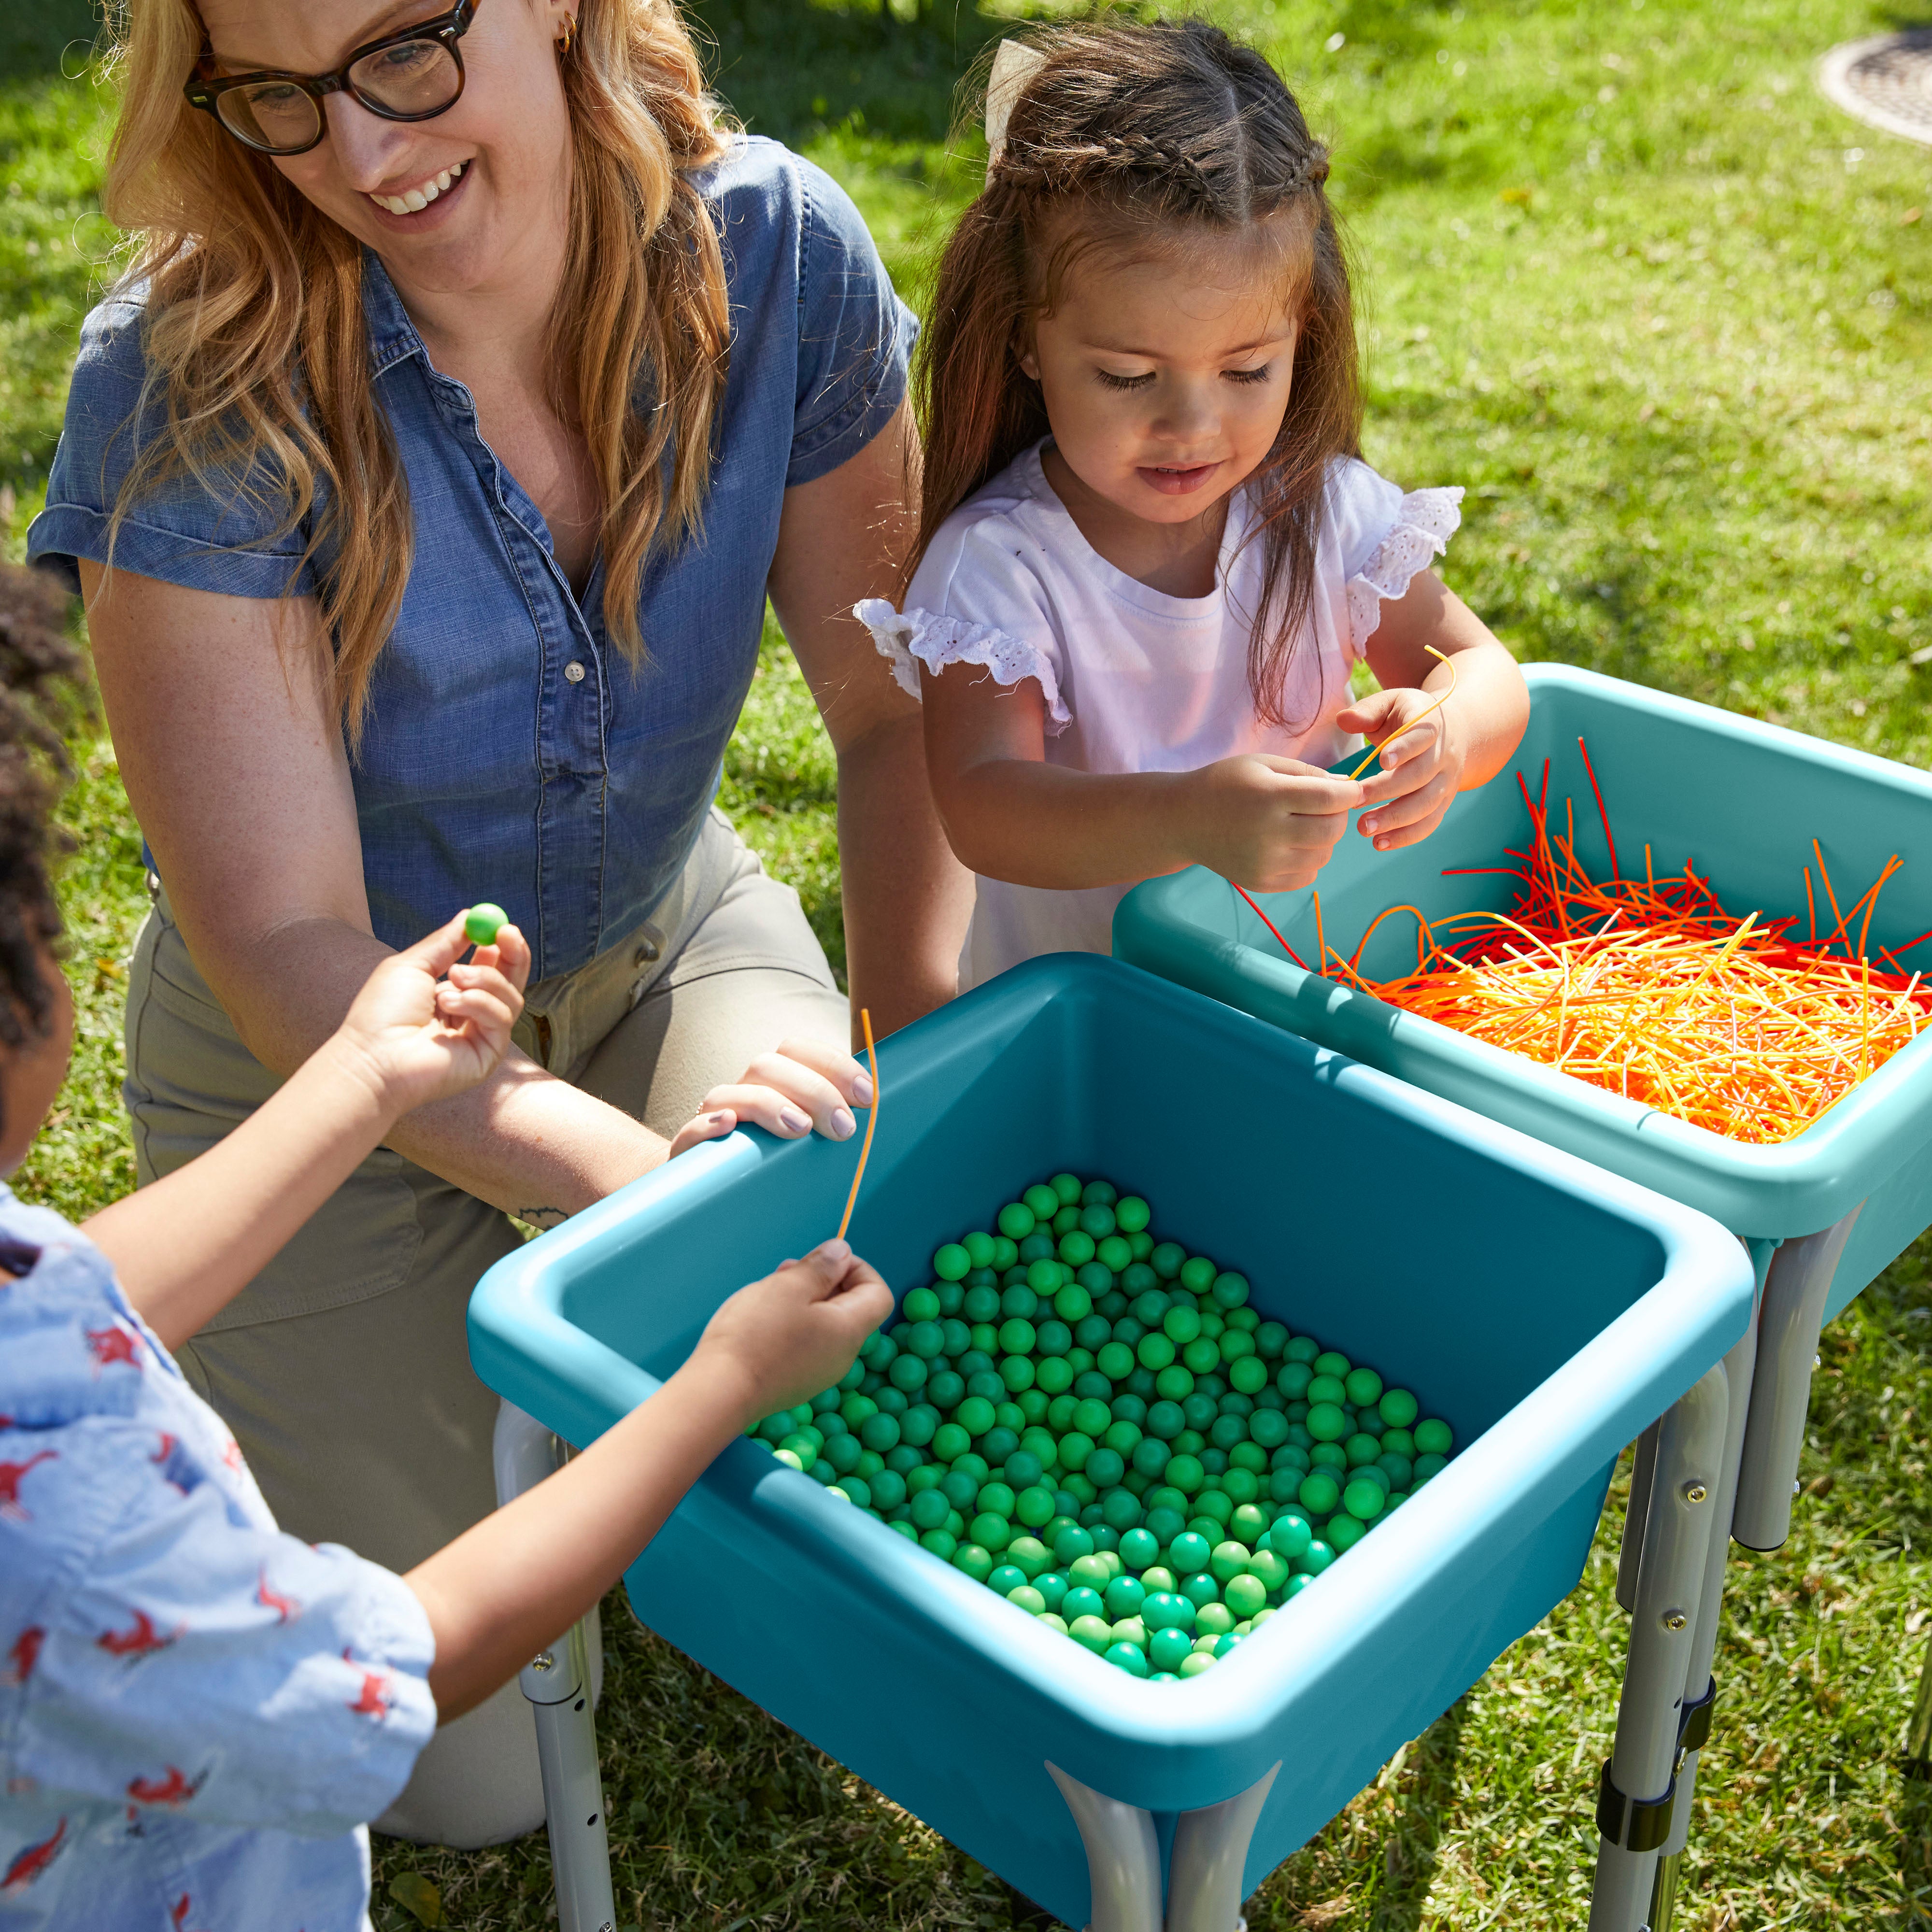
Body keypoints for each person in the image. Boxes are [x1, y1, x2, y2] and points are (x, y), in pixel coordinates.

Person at [27, 0, 968, 1842]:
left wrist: (918, 1051)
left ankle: (592, 1390)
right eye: (279, 100)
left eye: (405, 53)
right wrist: (643, 1184)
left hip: (656, 945)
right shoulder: (185, 373)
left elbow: (892, 713)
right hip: (320, 1073)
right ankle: (497, 1375)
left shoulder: (780, 254)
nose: (365, 156)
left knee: (846, 1349)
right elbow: (296, 946)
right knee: (465, 1786)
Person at [0, 557, 894, 1929]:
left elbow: (69, 1298)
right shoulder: (77, 1536)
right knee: (465, 1774)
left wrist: (360, 1076)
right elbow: (404, 1663)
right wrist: (718, 1385)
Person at [858, 21, 1529, 990]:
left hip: (1304, 992)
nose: (1192, 423)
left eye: (1246, 368)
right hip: (1096, 1032)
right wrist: (1186, 816)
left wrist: (1446, 730)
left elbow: (1480, 667)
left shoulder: (1322, 512)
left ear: (1301, 332)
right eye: (1128, 377)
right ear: (1023, 343)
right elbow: (983, 805)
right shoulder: (1002, 565)